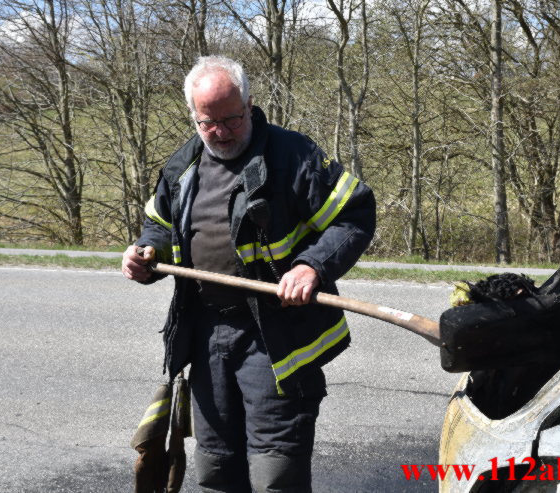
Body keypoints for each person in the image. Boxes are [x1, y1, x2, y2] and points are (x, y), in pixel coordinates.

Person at [122, 55, 376, 493]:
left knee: (276, 473)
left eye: (232, 119)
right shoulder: (181, 167)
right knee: (216, 467)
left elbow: (353, 216)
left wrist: (310, 266)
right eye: (208, 123)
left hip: (275, 334)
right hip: (204, 333)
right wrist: (147, 252)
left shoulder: (292, 155)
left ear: (249, 103)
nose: (220, 132)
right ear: (193, 116)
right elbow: (158, 225)